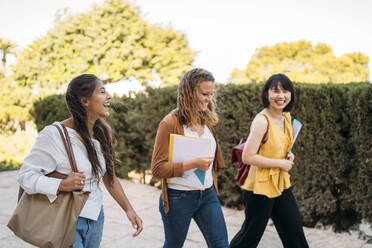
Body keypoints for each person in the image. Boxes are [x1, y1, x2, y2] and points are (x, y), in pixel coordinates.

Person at [17, 74, 143, 248]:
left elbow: (109, 178)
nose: (109, 96)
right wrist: (61, 184)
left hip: (96, 218)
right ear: (85, 101)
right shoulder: (54, 135)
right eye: (102, 91)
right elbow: (25, 176)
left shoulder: (103, 133)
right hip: (67, 219)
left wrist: (129, 210)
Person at [229, 74, 309, 248]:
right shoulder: (261, 121)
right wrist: (281, 164)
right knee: (250, 235)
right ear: (266, 94)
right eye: (275, 91)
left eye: (285, 91)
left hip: (280, 184)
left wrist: (289, 156)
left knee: (294, 231)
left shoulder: (286, 117)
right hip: (260, 187)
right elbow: (248, 157)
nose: (281, 96)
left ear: (291, 94)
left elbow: (281, 147)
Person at [151, 68, 228, 248]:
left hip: (207, 194)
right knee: (173, 245)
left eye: (211, 94)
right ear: (189, 93)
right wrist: (192, 164)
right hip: (179, 197)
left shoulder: (206, 119)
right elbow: (157, 169)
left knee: (221, 245)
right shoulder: (169, 123)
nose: (209, 99)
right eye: (204, 94)